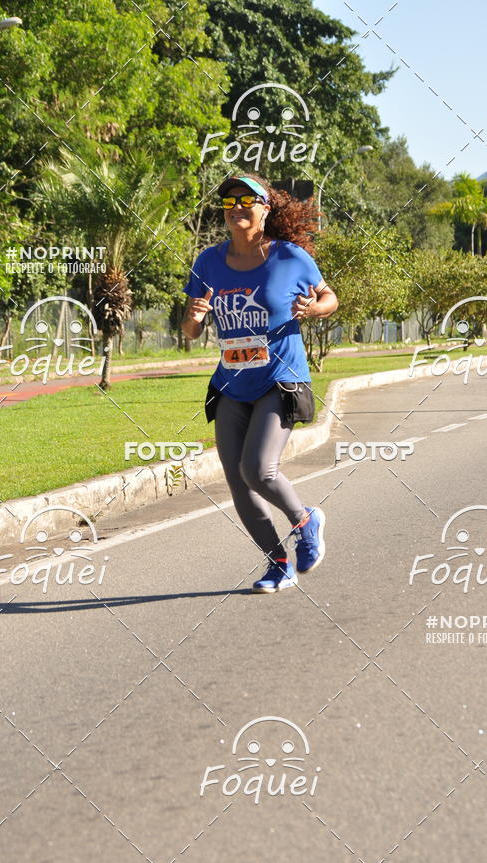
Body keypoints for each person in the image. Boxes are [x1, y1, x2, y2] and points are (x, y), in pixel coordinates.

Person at [182, 173, 338, 592]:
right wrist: (195, 318)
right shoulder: (207, 262)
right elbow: (191, 331)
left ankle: (306, 520)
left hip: (279, 377)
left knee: (258, 469)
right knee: (238, 482)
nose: (236, 207)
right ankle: (279, 564)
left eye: (246, 200)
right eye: (229, 202)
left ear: (265, 208)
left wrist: (313, 309)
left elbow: (330, 297)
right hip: (232, 383)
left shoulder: (289, 257)